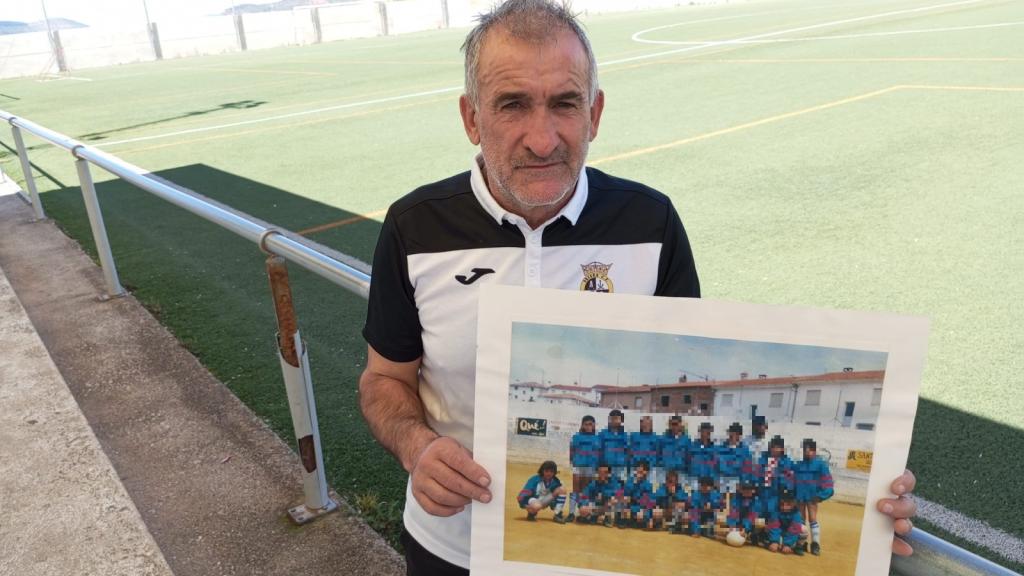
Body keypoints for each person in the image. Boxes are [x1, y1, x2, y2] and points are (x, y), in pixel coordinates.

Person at [357, 1, 917, 573]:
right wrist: (417, 446)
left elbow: (684, 355)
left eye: (565, 103)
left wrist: (878, 497)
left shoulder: (651, 224)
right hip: (452, 550)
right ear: (471, 118)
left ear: (595, 113)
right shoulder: (414, 229)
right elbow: (384, 381)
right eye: (512, 104)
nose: (543, 139)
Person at [795, 438, 834, 555]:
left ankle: (815, 544)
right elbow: (792, 480)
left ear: (815, 451)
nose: (807, 452)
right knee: (800, 519)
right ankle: (802, 542)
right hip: (799, 496)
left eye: (810, 450)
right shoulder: (798, 465)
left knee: (812, 519)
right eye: (805, 450)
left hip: (813, 497)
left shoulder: (821, 465)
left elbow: (828, 484)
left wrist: (821, 496)